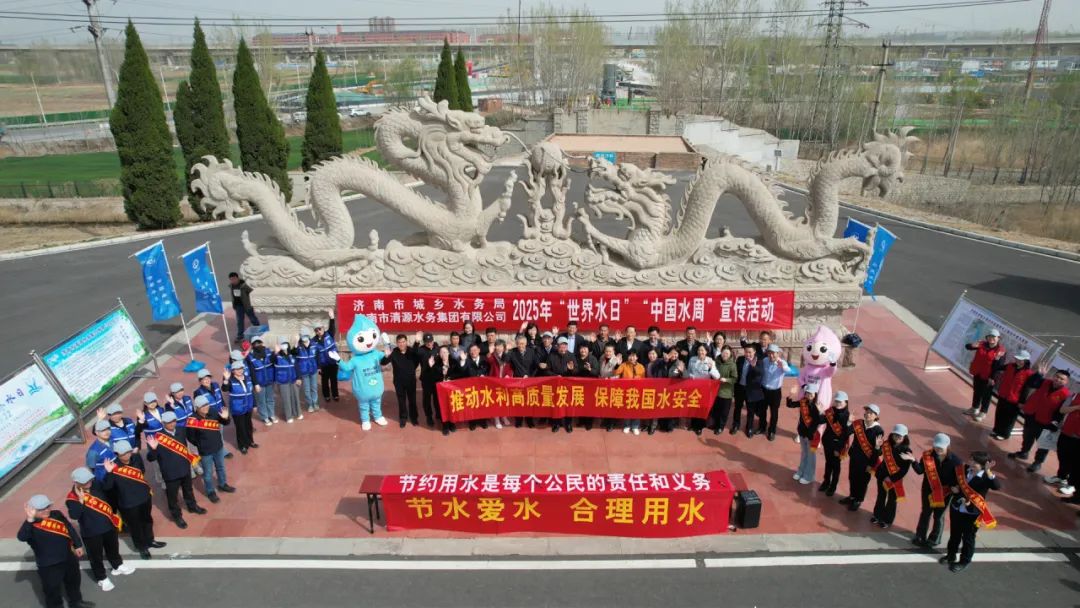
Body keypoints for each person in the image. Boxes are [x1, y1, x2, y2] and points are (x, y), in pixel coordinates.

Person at [18, 494, 92, 608]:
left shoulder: (56, 514)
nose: (46, 510)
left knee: (74, 582)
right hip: (49, 564)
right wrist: (29, 519)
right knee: (52, 589)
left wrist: (77, 545)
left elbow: (69, 529)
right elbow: (22, 537)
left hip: (68, 557)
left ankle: (76, 602)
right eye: (41, 509)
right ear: (33, 510)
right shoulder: (30, 524)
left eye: (47, 506)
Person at [66, 467, 133, 592]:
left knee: (113, 548)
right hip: (92, 532)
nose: (89, 482)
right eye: (85, 481)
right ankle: (101, 577)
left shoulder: (95, 485)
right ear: (76, 483)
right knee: (95, 557)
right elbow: (74, 515)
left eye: (89, 479)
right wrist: (81, 502)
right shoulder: (72, 498)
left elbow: (108, 487)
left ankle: (117, 565)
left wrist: (109, 473)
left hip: (108, 526)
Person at [102, 440, 162, 560]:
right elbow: (107, 487)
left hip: (144, 497)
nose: (127, 455)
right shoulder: (113, 467)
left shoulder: (136, 458)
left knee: (147, 520)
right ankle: (141, 547)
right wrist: (109, 473)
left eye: (128, 452)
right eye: (123, 453)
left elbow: (142, 471)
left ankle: (150, 540)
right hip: (128, 503)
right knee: (135, 526)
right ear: (117, 454)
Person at [942, 451, 1001, 572]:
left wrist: (988, 472)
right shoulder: (964, 470)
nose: (971, 463)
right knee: (954, 534)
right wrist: (955, 488)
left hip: (972, 513)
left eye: (975, 462)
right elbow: (954, 481)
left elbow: (996, 486)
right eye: (971, 460)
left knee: (968, 538)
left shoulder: (986, 477)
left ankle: (964, 561)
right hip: (957, 508)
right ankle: (951, 555)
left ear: (983, 465)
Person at [145, 411, 206, 529]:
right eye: (169, 422)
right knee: (172, 497)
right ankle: (177, 516)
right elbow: (150, 458)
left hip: (184, 468)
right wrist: (153, 449)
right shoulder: (158, 438)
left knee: (188, 490)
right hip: (170, 472)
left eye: (174, 421)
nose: (172, 424)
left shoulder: (181, 431)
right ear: (163, 423)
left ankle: (192, 506)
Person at [1008, 368, 1072, 473]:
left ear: (1066, 382)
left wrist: (1054, 423)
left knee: (1043, 443)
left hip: (1046, 421)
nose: (1058, 380)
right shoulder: (1044, 382)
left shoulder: (1065, 395)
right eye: (1057, 377)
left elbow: (1060, 412)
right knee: (1027, 435)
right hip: (1032, 414)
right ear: (1054, 376)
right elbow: (1031, 383)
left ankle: (1038, 462)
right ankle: (1024, 452)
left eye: (1062, 379)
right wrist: (1038, 375)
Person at [912, 433, 964, 548]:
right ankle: (920, 536)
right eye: (936, 446)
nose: (938, 449)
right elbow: (920, 471)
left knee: (939, 516)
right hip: (928, 491)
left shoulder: (956, 461)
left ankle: (935, 538)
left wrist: (955, 487)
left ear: (948, 446)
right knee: (925, 513)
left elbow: (959, 479)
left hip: (945, 493)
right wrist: (913, 461)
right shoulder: (927, 456)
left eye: (941, 447)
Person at [186, 395, 236, 503]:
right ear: (197, 408)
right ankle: (210, 492)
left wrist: (226, 417)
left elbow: (225, 423)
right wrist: (201, 444)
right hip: (205, 451)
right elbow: (190, 437)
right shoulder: (193, 420)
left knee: (221, 467)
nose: (206, 407)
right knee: (208, 473)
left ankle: (222, 484)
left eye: (207, 404)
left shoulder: (213, 412)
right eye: (203, 406)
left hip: (218, 447)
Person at [871, 424, 915, 529]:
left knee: (892, 500)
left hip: (895, 479)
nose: (897, 437)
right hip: (882, 474)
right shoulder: (886, 444)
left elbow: (904, 470)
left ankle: (887, 520)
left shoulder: (907, 451)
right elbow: (878, 454)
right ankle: (877, 515)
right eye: (895, 435)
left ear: (905, 437)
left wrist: (891, 478)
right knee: (881, 496)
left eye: (900, 436)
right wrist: (877, 447)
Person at [841, 403, 883, 512]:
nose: (868, 414)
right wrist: (849, 422)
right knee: (852, 477)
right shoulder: (858, 423)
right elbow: (846, 433)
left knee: (863, 482)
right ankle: (852, 496)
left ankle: (858, 500)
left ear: (876, 416)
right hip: (855, 457)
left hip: (867, 461)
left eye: (871, 413)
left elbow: (878, 452)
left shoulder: (878, 430)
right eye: (867, 412)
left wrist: (871, 464)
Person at [990, 350, 1038, 440]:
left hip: (1015, 400)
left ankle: (1004, 434)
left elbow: (1027, 389)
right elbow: (997, 367)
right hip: (1003, 395)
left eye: (1021, 360)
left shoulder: (1028, 373)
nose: (1018, 361)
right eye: (1017, 358)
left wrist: (1022, 402)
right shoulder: (1010, 366)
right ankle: (996, 430)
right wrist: (997, 359)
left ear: (1026, 361)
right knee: (999, 414)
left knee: (1009, 418)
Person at [382, 333, 422, 428]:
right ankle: (403, 418)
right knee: (401, 400)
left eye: (403, 342)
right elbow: (383, 362)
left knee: (412, 400)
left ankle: (414, 418)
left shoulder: (411, 351)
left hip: (411, 381)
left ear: (406, 342)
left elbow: (416, 353)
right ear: (397, 343)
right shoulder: (394, 352)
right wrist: (386, 356)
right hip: (398, 381)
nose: (401, 344)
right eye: (399, 342)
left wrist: (417, 342)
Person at [965, 328, 1006, 420]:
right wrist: (972, 345)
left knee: (986, 395)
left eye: (994, 337)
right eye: (989, 336)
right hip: (978, 372)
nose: (991, 338)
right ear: (987, 337)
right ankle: (974, 408)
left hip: (989, 377)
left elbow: (998, 366)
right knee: (977, 391)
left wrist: (992, 378)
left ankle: (983, 412)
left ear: (998, 338)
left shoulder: (1000, 350)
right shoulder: (981, 344)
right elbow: (967, 347)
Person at [786, 383, 822, 485]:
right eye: (807, 393)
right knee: (804, 454)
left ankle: (809, 476)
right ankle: (801, 471)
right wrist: (790, 395)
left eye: (811, 394)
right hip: (802, 432)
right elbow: (790, 405)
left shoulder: (816, 406)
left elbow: (819, 422)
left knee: (811, 456)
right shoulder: (803, 402)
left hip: (811, 436)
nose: (809, 395)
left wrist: (820, 412)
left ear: (815, 395)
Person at [1046, 394, 1080, 501]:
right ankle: (1061, 477)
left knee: (1076, 463)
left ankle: (1071, 485)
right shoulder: (1074, 396)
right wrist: (1077, 407)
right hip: (1066, 432)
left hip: (1078, 437)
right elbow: (1062, 410)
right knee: (1062, 455)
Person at [818, 391, 851, 496]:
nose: (838, 403)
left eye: (840, 401)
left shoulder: (847, 416)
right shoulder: (830, 411)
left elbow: (845, 435)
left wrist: (838, 449)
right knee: (828, 463)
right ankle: (826, 482)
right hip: (827, 442)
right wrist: (820, 412)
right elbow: (821, 420)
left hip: (838, 445)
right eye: (836, 401)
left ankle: (833, 486)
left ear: (846, 402)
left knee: (836, 467)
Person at [759, 344, 792, 441]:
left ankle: (772, 431)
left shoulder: (782, 362)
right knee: (762, 410)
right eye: (769, 353)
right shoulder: (765, 360)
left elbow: (790, 371)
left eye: (773, 353)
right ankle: (762, 427)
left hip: (775, 392)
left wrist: (783, 367)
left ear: (778, 353)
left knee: (774, 413)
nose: (771, 355)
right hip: (764, 390)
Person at [688, 344, 721, 435]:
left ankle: (700, 427)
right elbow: (689, 371)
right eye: (699, 350)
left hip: (705, 389)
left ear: (706, 352)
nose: (700, 352)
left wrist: (711, 368)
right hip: (694, 388)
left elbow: (717, 376)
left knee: (702, 408)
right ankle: (693, 424)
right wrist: (691, 376)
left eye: (702, 350)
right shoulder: (692, 359)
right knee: (693, 406)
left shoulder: (710, 361)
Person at [226, 361, 258, 454]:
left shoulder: (247, 378)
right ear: (233, 371)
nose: (240, 370)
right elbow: (225, 388)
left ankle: (250, 441)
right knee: (240, 428)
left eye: (241, 368)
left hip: (248, 407)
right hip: (237, 408)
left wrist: (254, 405)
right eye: (237, 369)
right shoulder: (231, 381)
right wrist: (226, 380)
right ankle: (242, 445)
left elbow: (251, 392)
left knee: (248, 426)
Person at [508, 334, 538, 428]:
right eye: (518, 344)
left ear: (526, 343)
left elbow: (535, 366)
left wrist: (529, 376)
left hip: (529, 380)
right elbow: (506, 361)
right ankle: (519, 419)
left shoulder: (531, 351)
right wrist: (506, 350)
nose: (520, 345)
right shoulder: (512, 352)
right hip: (518, 380)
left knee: (529, 400)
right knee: (518, 400)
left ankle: (529, 419)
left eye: (522, 344)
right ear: (516, 344)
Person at [734, 344, 765, 438]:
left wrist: (754, 366)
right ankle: (735, 425)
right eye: (746, 352)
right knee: (737, 408)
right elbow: (736, 371)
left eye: (750, 352)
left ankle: (749, 427)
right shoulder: (740, 359)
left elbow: (760, 373)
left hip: (751, 390)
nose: (748, 354)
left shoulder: (759, 361)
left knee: (750, 411)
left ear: (754, 352)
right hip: (740, 388)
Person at [426, 345, 458, 435]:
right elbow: (432, 378)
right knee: (442, 408)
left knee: (452, 407)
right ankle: (445, 425)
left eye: (445, 352)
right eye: (441, 352)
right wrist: (431, 367)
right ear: (439, 354)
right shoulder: (436, 363)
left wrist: (450, 378)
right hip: (440, 391)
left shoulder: (454, 362)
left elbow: (459, 374)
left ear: (448, 352)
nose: (443, 354)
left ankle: (452, 423)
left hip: (452, 390)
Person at [246, 336, 278, 425]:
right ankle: (265, 417)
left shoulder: (268, 352)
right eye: (255, 344)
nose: (258, 345)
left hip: (269, 381)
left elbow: (274, 361)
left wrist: (276, 353)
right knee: (261, 401)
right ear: (252, 345)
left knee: (270, 399)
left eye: (259, 343)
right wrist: (255, 384)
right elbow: (251, 372)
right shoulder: (250, 357)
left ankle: (271, 415)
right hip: (259, 383)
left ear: (262, 343)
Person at [546, 337, 575, 433]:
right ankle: (556, 423)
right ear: (557, 347)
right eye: (561, 347)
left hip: (568, 385)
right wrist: (555, 376)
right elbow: (547, 370)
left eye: (565, 347)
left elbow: (576, 370)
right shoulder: (552, 356)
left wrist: (571, 369)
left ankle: (568, 423)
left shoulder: (571, 355)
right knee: (556, 404)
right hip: (555, 385)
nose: (563, 349)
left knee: (568, 404)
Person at [613, 350, 646, 433]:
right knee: (627, 408)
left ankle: (635, 426)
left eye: (634, 356)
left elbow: (643, 379)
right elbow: (615, 373)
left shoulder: (641, 366)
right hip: (626, 390)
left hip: (637, 391)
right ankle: (627, 425)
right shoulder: (624, 365)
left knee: (636, 409)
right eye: (630, 356)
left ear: (637, 357)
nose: (632, 358)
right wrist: (617, 364)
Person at [271, 338, 302, 423]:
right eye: (282, 344)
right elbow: (271, 360)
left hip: (293, 380)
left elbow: (297, 367)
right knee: (286, 399)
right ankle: (289, 416)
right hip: (283, 381)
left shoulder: (291, 355)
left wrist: (299, 378)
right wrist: (275, 352)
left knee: (295, 397)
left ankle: (298, 413)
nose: (284, 346)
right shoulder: (277, 356)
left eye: (285, 344)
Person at [460, 343, 489, 431]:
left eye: (475, 350)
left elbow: (489, 370)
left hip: (483, 387)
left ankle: (483, 421)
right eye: (471, 350)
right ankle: (472, 422)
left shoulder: (485, 359)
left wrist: (485, 375)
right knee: (472, 405)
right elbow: (462, 370)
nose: (473, 352)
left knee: (482, 404)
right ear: (469, 352)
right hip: (471, 388)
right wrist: (463, 360)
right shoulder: (467, 360)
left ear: (479, 350)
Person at [710, 345, 737, 434]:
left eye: (727, 353)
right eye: (723, 353)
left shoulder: (732, 365)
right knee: (716, 410)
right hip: (715, 391)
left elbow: (735, 379)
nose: (725, 355)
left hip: (726, 392)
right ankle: (715, 424)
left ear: (730, 354)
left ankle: (720, 427)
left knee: (724, 412)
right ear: (721, 352)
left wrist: (727, 380)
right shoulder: (716, 362)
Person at [486, 339, 514, 428]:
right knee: (496, 401)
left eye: (501, 346)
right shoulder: (493, 355)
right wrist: (490, 353)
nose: (499, 348)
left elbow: (510, 368)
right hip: (494, 382)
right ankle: (497, 419)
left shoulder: (507, 355)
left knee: (504, 400)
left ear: (504, 347)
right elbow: (489, 360)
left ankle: (504, 416)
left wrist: (508, 375)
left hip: (504, 382)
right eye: (497, 346)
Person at [314, 310, 339, 402]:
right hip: (323, 365)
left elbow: (332, 327)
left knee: (333, 380)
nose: (318, 331)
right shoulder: (314, 341)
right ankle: (326, 396)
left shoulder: (329, 334)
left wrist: (332, 318)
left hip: (333, 362)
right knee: (324, 381)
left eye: (319, 329)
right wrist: (318, 367)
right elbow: (315, 355)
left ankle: (335, 395)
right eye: (316, 330)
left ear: (323, 328)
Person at [416, 333, 440, 427]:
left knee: (437, 397)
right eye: (427, 342)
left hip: (437, 378)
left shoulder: (437, 348)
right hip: (426, 378)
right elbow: (414, 352)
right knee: (427, 399)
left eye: (430, 341)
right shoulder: (421, 350)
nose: (429, 343)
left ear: (433, 340)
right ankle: (429, 416)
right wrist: (416, 342)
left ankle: (438, 413)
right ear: (424, 342)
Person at [228, 271, 259, 343]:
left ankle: (258, 331)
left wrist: (252, 302)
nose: (233, 281)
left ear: (237, 278)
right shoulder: (231, 286)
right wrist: (234, 305)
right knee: (239, 321)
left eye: (234, 279)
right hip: (238, 306)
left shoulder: (244, 285)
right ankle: (240, 336)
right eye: (231, 279)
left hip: (247, 305)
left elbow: (252, 292)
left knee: (253, 318)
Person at [295, 333, 321, 413]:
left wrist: (319, 367)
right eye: (302, 336)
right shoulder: (299, 347)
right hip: (304, 371)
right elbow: (294, 357)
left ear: (308, 336)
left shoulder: (314, 345)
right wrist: (296, 343)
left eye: (305, 335)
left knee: (314, 388)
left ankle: (315, 403)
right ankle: (310, 404)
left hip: (313, 370)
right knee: (306, 389)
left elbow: (318, 357)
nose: (304, 338)